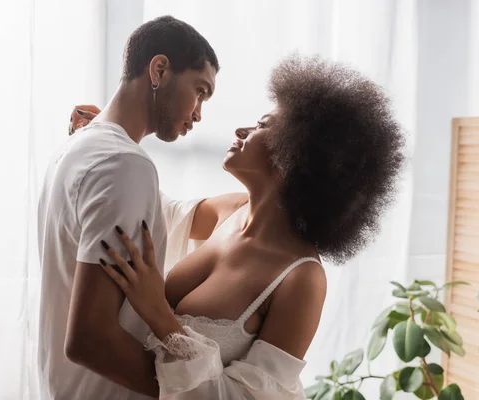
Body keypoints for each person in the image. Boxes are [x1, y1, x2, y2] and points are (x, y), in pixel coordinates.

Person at [71, 55, 405, 399]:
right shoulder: (230, 210)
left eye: (263, 125)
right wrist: (110, 134)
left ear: (300, 154)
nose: (242, 131)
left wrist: (160, 316)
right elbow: (154, 207)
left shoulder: (301, 279)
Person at [37, 15, 225, 400]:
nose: (199, 113)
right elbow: (90, 339)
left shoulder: (74, 150)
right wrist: (182, 393)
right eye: (200, 91)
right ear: (159, 69)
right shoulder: (124, 164)